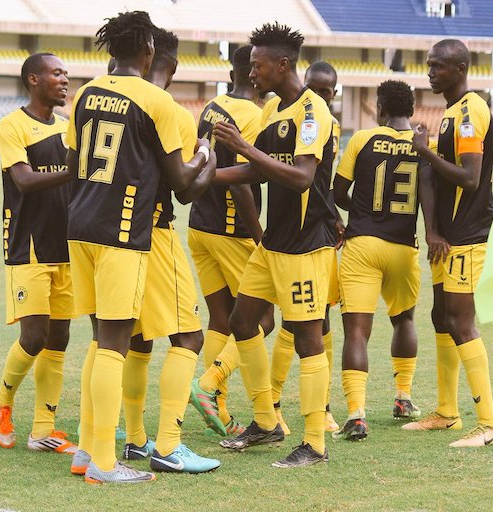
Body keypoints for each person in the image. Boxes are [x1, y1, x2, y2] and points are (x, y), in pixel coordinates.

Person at [65, 11, 215, 484]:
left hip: (81, 226)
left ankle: (89, 452)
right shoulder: (158, 102)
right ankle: (109, 464)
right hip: (125, 234)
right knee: (119, 344)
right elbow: (184, 186)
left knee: (100, 341)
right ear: (148, 50)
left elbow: (73, 163)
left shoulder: (86, 92)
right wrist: (207, 154)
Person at [210, 22, 338, 468]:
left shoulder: (311, 112)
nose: (252, 73)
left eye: (258, 65)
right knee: (242, 323)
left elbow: (302, 178)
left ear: (283, 65)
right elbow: (257, 171)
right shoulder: (273, 112)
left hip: (306, 246)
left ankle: (315, 444)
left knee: (307, 340)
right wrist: (199, 180)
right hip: (273, 243)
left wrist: (243, 147)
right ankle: (265, 421)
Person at [118, 26, 219, 474]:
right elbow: (183, 190)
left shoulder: (114, 101)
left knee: (135, 339)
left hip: (114, 235)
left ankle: (136, 440)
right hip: (156, 233)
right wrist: (208, 158)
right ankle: (169, 444)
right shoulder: (170, 111)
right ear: (170, 64)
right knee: (189, 336)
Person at [405, 38, 493, 447]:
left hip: (469, 235)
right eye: (429, 65)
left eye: (438, 66)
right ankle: (447, 412)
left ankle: (490, 425)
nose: (430, 72)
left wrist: (424, 152)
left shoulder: (471, 110)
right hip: (447, 237)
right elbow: (435, 178)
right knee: (441, 317)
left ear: (460, 68)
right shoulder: (450, 112)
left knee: (462, 323)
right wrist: (432, 230)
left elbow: (470, 177)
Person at [330, 80, 427, 441]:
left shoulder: (362, 140)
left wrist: (363, 214)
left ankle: (356, 415)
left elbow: (337, 191)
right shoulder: (421, 146)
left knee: (357, 331)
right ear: (411, 111)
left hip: (363, 243)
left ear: (380, 109)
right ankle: (403, 397)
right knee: (405, 320)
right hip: (404, 245)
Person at [0, 52, 77, 454]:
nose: (64, 79)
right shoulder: (12, 125)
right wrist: (76, 171)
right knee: (34, 335)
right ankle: (3, 404)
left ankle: (44, 429)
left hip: (66, 245)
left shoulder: (66, 127)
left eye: (65, 73)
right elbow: (24, 181)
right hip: (28, 243)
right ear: (33, 79)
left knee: (59, 335)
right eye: (56, 73)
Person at [187, 44, 274, 438]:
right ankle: (209, 383)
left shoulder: (211, 106)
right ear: (255, 72)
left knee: (221, 318)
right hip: (231, 230)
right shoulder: (253, 115)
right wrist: (260, 238)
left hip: (199, 226)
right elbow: (243, 183)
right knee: (262, 318)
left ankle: (219, 409)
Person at [269, 60, 342, 436]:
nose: (319, 97)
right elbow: (300, 177)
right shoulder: (294, 112)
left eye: (326, 92)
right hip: (293, 239)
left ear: (335, 93)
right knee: (297, 326)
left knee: (316, 323)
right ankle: (273, 407)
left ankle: (321, 413)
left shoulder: (325, 121)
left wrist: (335, 216)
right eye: (314, 89)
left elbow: (321, 182)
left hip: (319, 234)